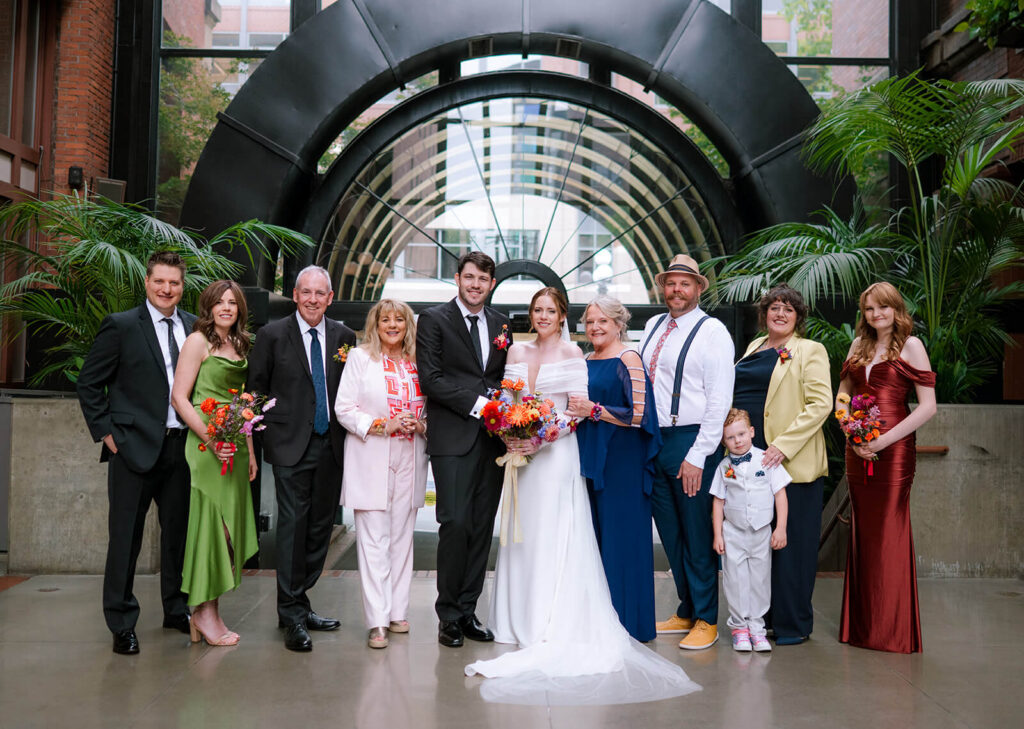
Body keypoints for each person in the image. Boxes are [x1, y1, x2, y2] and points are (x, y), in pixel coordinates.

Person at [465, 287, 699, 705]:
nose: (542, 316)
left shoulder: (576, 355)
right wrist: (508, 435)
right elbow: (506, 402)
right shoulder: (516, 355)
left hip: (557, 456)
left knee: (559, 534)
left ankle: (551, 619)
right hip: (522, 456)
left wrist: (539, 439)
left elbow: (575, 411)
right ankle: (515, 619)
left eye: (550, 310)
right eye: (537, 310)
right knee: (523, 535)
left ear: (561, 315)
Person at [77, 250, 195, 655]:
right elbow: (89, 384)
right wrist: (107, 435)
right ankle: (122, 622)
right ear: (147, 282)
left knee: (178, 535)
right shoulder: (122, 326)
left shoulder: (195, 329)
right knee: (125, 539)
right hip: (133, 449)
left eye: (174, 283)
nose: (167, 289)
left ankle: (176, 609)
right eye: (160, 281)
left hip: (182, 450)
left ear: (183, 287)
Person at [247, 265, 357, 652]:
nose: (313, 299)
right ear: (295, 295)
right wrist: (254, 445)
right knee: (293, 529)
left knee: (319, 529)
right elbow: (255, 392)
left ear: (330, 298)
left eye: (320, 293)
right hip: (290, 444)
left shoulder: (345, 336)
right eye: (306, 292)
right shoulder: (272, 335)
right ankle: (291, 613)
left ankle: (300, 600)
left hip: (331, 446)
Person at [415, 251, 510, 648]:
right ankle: (448, 614)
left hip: (493, 442)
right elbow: (432, 379)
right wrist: (480, 406)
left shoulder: (501, 322)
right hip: (453, 438)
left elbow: (502, 377)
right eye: (469, 277)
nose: (475, 285)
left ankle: (469, 610)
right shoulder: (434, 320)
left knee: (481, 526)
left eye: (483, 280)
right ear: (457, 279)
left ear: (490, 284)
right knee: (453, 523)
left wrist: (508, 407)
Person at [640, 253, 734, 650]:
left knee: (697, 534)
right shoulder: (651, 325)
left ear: (698, 289)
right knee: (671, 534)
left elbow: (719, 399)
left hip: (691, 439)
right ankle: (687, 608)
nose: (676, 290)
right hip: (653, 439)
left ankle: (707, 619)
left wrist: (699, 454)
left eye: (685, 283)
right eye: (671, 283)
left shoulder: (713, 332)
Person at [837, 282, 936, 654]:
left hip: (893, 451)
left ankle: (891, 631)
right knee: (863, 532)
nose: (876, 315)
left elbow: (928, 406)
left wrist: (882, 440)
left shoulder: (911, 345)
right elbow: (843, 393)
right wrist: (850, 430)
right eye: (869, 309)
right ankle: (861, 628)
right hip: (857, 449)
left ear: (896, 310)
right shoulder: (858, 346)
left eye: (883, 308)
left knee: (889, 531)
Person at [734, 284, 831, 645]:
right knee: (760, 542)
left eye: (788, 309)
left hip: (791, 462)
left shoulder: (810, 351)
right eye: (774, 307)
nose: (780, 313)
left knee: (791, 545)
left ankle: (793, 625)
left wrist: (782, 446)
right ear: (764, 313)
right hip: (753, 460)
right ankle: (763, 619)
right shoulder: (753, 348)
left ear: (798, 317)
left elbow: (820, 405)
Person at [334, 299, 428, 649]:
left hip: (410, 452)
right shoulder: (361, 358)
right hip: (372, 451)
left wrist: (422, 424)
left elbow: (432, 408)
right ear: (375, 324)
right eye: (385, 319)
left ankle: (397, 612)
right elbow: (344, 408)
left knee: (402, 537)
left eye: (399, 319)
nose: (392, 325)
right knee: (374, 540)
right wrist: (380, 425)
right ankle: (377, 621)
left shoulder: (419, 362)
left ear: (407, 325)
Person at [170, 280, 259, 646]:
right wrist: (211, 437)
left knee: (229, 532)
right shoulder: (197, 342)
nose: (226, 307)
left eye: (233, 303)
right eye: (219, 302)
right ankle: (203, 613)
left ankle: (209, 611)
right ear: (208, 306)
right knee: (213, 529)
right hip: (208, 448)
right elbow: (179, 397)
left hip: (235, 446)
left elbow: (242, 404)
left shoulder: (240, 343)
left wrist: (249, 450)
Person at [570, 295, 662, 642]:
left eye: (602, 321)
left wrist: (593, 410)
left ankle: (628, 623)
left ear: (618, 324)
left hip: (623, 460)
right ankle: (599, 622)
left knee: (622, 540)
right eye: (590, 322)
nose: (594, 327)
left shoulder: (629, 358)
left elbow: (640, 415)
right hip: (592, 455)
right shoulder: (587, 358)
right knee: (595, 540)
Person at [711, 409, 790, 653]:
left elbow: (780, 495)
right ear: (724, 441)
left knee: (760, 580)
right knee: (735, 581)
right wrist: (717, 535)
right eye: (731, 437)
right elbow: (718, 502)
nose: (738, 441)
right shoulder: (724, 467)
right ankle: (739, 628)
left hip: (761, 533)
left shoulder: (767, 460)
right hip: (733, 533)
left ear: (752, 432)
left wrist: (781, 528)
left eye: (742, 434)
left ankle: (757, 627)